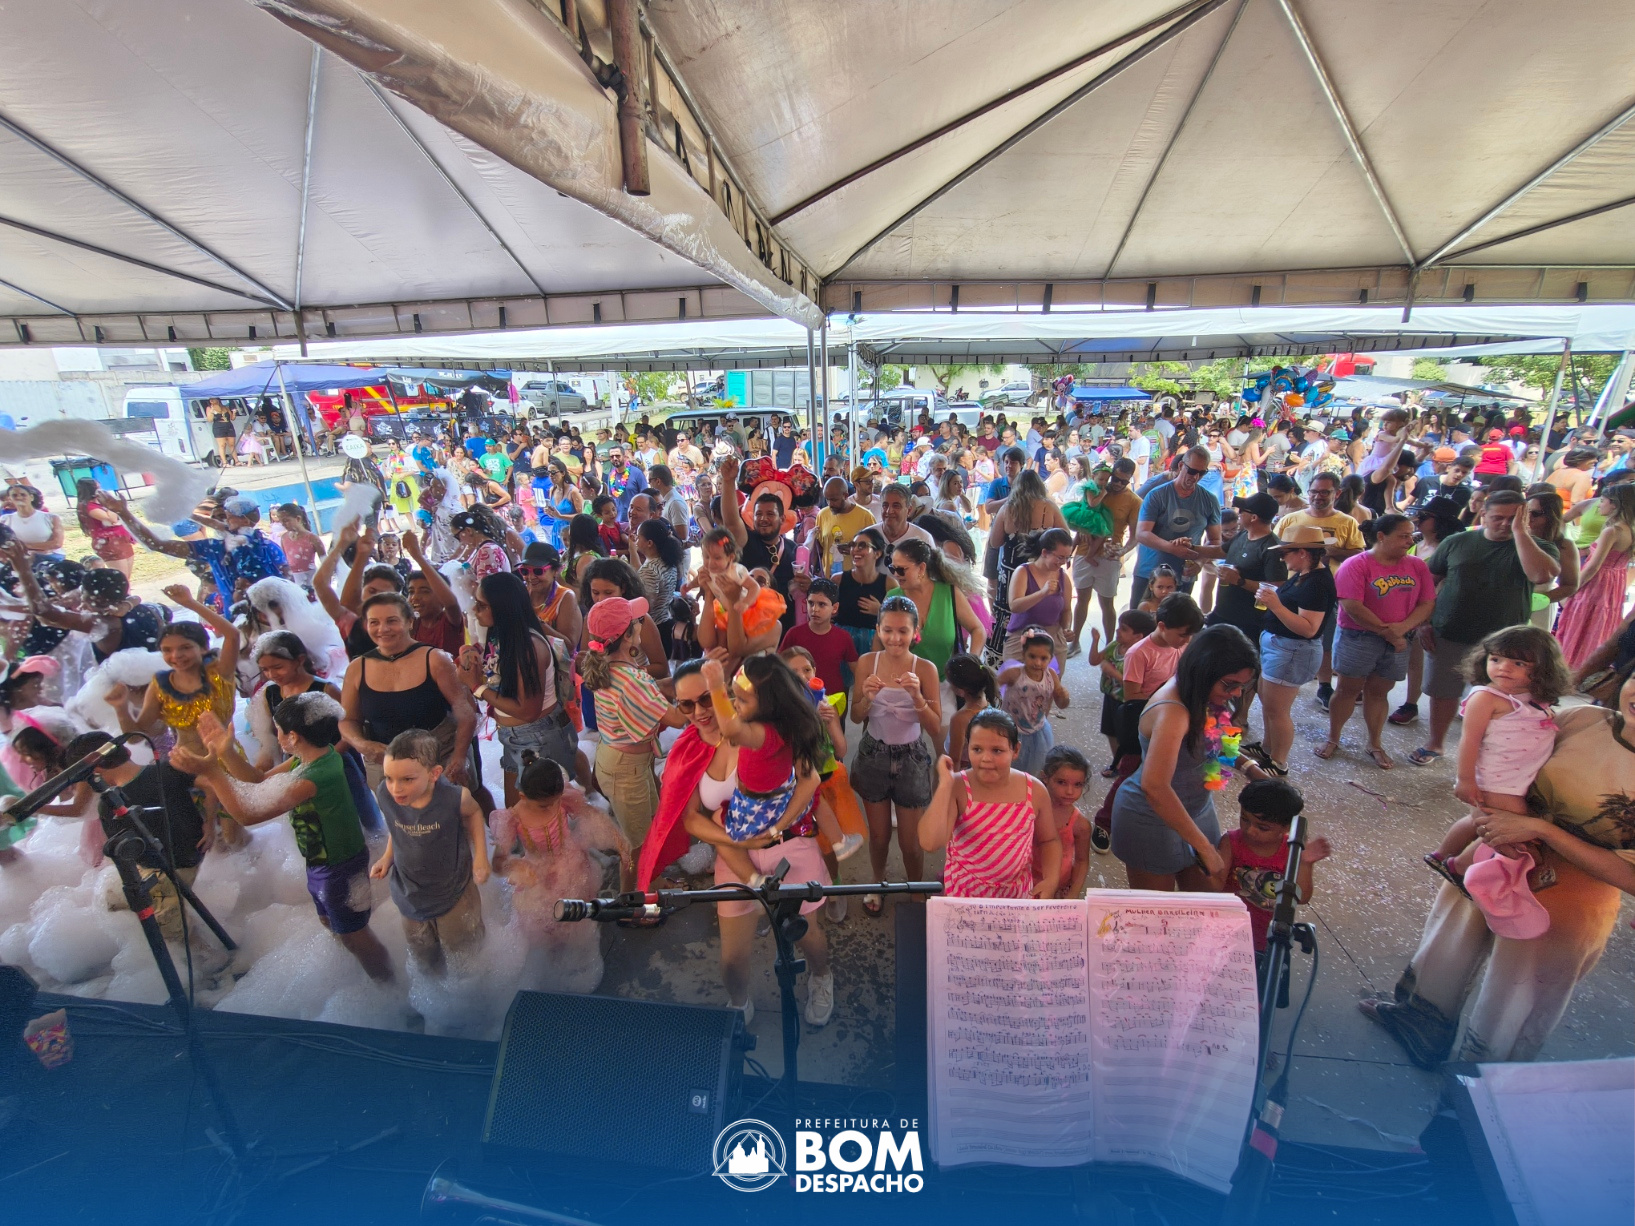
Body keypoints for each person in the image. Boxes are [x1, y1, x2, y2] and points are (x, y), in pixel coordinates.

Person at [1361, 669, 1635, 1068]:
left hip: (1571, 898)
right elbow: (1499, 761)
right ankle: (1418, 1025)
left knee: (1515, 1001)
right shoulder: (1585, 720)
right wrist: (1484, 811)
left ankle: (1477, 1089)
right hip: (1494, 855)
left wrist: (1541, 830)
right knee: (1448, 946)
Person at [655, 661, 834, 1025]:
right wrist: (735, 839)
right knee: (732, 959)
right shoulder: (686, 752)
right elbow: (690, 818)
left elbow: (810, 779)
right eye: (686, 704)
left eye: (706, 698)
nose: (699, 712)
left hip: (787, 846)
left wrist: (777, 827)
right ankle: (738, 1004)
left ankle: (822, 977)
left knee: (808, 936)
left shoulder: (763, 729)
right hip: (732, 854)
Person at [175, 692, 393, 982]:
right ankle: (358, 977)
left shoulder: (312, 778)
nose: (275, 736)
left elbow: (247, 815)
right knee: (332, 922)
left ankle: (387, 988)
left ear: (293, 736)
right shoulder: (314, 757)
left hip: (339, 867)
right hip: (324, 862)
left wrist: (213, 773)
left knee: (355, 935)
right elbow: (256, 780)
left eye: (277, 730)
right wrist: (226, 752)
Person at [1409, 491, 1560, 766]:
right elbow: (1429, 582)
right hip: (1450, 630)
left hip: (1505, 642)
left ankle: (1486, 751)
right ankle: (1436, 743)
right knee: (1444, 692)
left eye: (1513, 518)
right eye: (1497, 518)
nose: (1505, 524)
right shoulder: (1457, 541)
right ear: (1483, 515)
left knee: (1499, 697)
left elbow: (1541, 575)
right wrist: (1423, 622)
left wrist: (1520, 533)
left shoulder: (1538, 547)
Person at [1110, 625, 1265, 891]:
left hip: (1198, 809)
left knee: (1206, 900)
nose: (1237, 693)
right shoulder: (1173, 712)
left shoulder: (1203, 693)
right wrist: (1204, 847)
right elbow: (1155, 787)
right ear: (1203, 672)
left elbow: (1214, 738)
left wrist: (1249, 767)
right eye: (1230, 685)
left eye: (1243, 686)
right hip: (1151, 820)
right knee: (1159, 911)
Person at [1424, 627, 1568, 894]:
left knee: (1480, 821)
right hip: (1498, 781)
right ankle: (1459, 866)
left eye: (1519, 663)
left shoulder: (1532, 699)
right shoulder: (1487, 698)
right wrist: (1465, 779)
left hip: (1517, 779)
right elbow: (1469, 740)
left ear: (1543, 668)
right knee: (1511, 829)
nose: (1504, 668)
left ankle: (1442, 855)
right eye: (1496, 659)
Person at [697, 654, 858, 888]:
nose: (735, 704)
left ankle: (752, 878)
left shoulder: (761, 735)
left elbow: (731, 729)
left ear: (766, 704)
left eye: (741, 700)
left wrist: (716, 687)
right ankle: (839, 842)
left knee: (719, 826)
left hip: (755, 813)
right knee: (814, 797)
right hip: (781, 804)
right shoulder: (785, 726)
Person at [63, 730, 210, 944]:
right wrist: (209, 823)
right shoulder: (165, 770)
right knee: (114, 899)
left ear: (95, 771)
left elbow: (123, 854)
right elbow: (210, 783)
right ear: (126, 751)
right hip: (192, 856)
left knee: (174, 933)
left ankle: (204, 954)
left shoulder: (111, 805)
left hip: (164, 872)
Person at [366, 729, 490, 976]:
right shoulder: (385, 795)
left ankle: (469, 992)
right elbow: (396, 828)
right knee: (423, 955)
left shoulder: (453, 798)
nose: (396, 788)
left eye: (407, 779)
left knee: (465, 953)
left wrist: (481, 858)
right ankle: (433, 992)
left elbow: (475, 813)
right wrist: (387, 857)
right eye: (389, 777)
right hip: (410, 894)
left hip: (453, 893)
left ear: (434, 774)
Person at [1316, 514, 1435, 769]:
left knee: (1380, 692)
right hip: (1359, 637)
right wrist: (1389, 633)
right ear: (1381, 536)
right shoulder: (1356, 564)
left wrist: (1402, 628)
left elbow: (1427, 602)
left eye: (1411, 535)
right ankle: (1333, 738)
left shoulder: (1417, 565)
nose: (1410, 541)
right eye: (1403, 536)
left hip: (1400, 638)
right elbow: (1352, 605)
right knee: (1347, 689)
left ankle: (1375, 743)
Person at [850, 595, 943, 916]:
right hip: (873, 755)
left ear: (916, 632)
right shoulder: (867, 663)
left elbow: (934, 726)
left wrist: (917, 697)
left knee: (910, 843)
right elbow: (856, 717)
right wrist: (866, 698)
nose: (895, 638)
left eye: (903, 631)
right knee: (878, 837)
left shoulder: (925, 669)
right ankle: (877, 882)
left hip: (911, 759)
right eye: (888, 630)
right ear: (878, 629)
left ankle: (916, 889)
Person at [339, 592, 479, 791]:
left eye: (392, 621)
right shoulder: (356, 668)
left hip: (440, 756)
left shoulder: (435, 659)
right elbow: (348, 720)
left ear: (410, 622)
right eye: (374, 622)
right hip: (386, 763)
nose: (383, 629)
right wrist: (363, 745)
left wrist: (459, 756)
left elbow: (465, 711)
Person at [919, 708, 1060, 898]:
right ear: (968, 748)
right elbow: (929, 842)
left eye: (997, 750)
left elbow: (1049, 840)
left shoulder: (1035, 791)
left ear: (1015, 750)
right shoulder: (959, 788)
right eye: (977, 749)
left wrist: (1051, 878)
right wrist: (945, 785)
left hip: (1016, 896)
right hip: (964, 894)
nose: (986, 758)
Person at [578, 596, 682, 849]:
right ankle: (636, 875)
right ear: (627, 636)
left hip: (616, 759)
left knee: (648, 825)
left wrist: (660, 686)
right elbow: (679, 719)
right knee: (639, 845)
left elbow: (630, 691)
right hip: (626, 771)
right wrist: (706, 691)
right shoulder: (634, 681)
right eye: (637, 621)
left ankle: (651, 871)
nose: (641, 623)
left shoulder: (606, 664)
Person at [1208, 778, 1331, 985]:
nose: (1250, 830)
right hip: (1228, 932)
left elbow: (1301, 897)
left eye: (1262, 827)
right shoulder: (1232, 842)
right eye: (1244, 819)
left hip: (1268, 936)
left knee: (1264, 986)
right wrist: (1209, 865)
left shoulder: (1292, 851)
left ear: (1286, 827)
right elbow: (1216, 886)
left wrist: (1305, 863)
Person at [1253, 527, 1336, 774]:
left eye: (1284, 553)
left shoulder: (1317, 583)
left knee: (1277, 710)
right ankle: (1267, 749)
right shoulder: (1304, 574)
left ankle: (1278, 762)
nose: (1282, 558)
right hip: (1280, 646)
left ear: (1302, 553)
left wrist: (1276, 606)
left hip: (1292, 650)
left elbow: (1309, 628)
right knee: (1268, 701)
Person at [1131, 445, 1223, 609]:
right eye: (1192, 471)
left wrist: (1199, 563)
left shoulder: (1209, 500)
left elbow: (1215, 541)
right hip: (1149, 572)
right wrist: (1172, 548)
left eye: (1201, 473)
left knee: (1176, 621)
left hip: (1184, 575)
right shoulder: (1157, 495)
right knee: (1139, 620)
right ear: (1181, 466)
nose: (1195, 477)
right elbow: (1142, 533)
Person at [1554, 483, 1635, 669]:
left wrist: (1572, 588)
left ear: (1614, 504)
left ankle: (1570, 666)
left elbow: (1593, 566)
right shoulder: (1629, 529)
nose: (1599, 506)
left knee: (1581, 623)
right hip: (1615, 582)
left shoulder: (1612, 531)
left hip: (1597, 582)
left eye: (1603, 501)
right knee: (1600, 625)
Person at [885, 537, 987, 679]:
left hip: (945, 682)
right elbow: (880, 640)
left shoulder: (949, 594)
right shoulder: (892, 597)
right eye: (892, 568)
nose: (896, 574)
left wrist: (971, 662)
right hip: (900, 680)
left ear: (921, 568)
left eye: (901, 570)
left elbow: (978, 629)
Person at [1068, 459, 1140, 651]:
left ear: (1130, 480)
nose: (1117, 484)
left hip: (1109, 557)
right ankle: (1075, 642)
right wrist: (1080, 530)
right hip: (1084, 552)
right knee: (1081, 599)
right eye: (1115, 479)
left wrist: (1122, 551)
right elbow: (1081, 514)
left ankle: (1109, 646)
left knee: (1107, 603)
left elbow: (1135, 536)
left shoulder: (1134, 501)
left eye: (1124, 481)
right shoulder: (1096, 488)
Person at [996, 628, 1068, 777]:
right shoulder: (1014, 673)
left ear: (1051, 658)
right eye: (1032, 656)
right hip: (1011, 730)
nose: (1037, 662)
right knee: (1010, 768)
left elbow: (1062, 704)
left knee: (1034, 769)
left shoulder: (1051, 676)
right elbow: (993, 686)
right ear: (1023, 654)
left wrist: (1063, 696)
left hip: (1038, 731)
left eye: (1043, 658)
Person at [779, 578, 858, 697]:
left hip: (833, 698)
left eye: (822, 604)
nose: (815, 609)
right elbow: (778, 665)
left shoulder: (843, 637)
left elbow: (857, 670)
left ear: (834, 608)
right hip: (799, 697)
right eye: (811, 603)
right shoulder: (794, 634)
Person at [1038, 747, 1091, 897]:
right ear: (1045, 777)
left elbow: (1081, 861)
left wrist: (1073, 894)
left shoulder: (1080, 825)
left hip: (1057, 885)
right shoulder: (1030, 808)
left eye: (1077, 784)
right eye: (1062, 782)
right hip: (1023, 881)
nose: (1070, 791)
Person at [836, 526, 888, 655]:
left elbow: (898, 620)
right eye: (853, 545)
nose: (855, 549)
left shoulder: (889, 584)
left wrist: (881, 611)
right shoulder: (838, 579)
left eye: (863, 545)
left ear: (877, 553)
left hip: (874, 647)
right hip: (842, 645)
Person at [944, 652, 997, 771]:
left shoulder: (960, 719)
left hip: (966, 773)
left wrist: (951, 780)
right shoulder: (991, 701)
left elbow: (955, 759)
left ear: (961, 691)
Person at [74, 478, 134, 576]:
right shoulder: (88, 506)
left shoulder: (99, 503)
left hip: (121, 539)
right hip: (109, 542)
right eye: (97, 487)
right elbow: (112, 519)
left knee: (126, 577)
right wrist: (111, 504)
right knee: (120, 577)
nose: (101, 490)